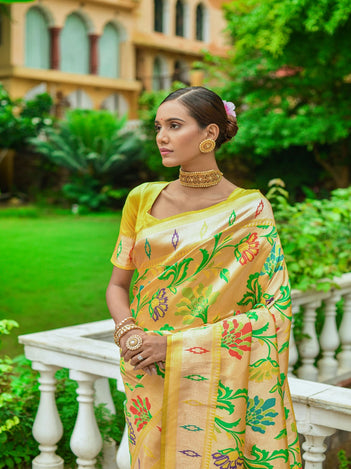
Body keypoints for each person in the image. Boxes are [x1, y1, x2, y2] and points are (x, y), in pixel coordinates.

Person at [106, 86, 302, 469]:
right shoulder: (141, 198)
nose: (161, 137)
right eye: (158, 126)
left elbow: (275, 309)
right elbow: (117, 285)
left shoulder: (250, 210)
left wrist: (176, 346)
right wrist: (127, 333)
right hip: (146, 371)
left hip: (210, 372)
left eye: (174, 125)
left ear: (209, 134)